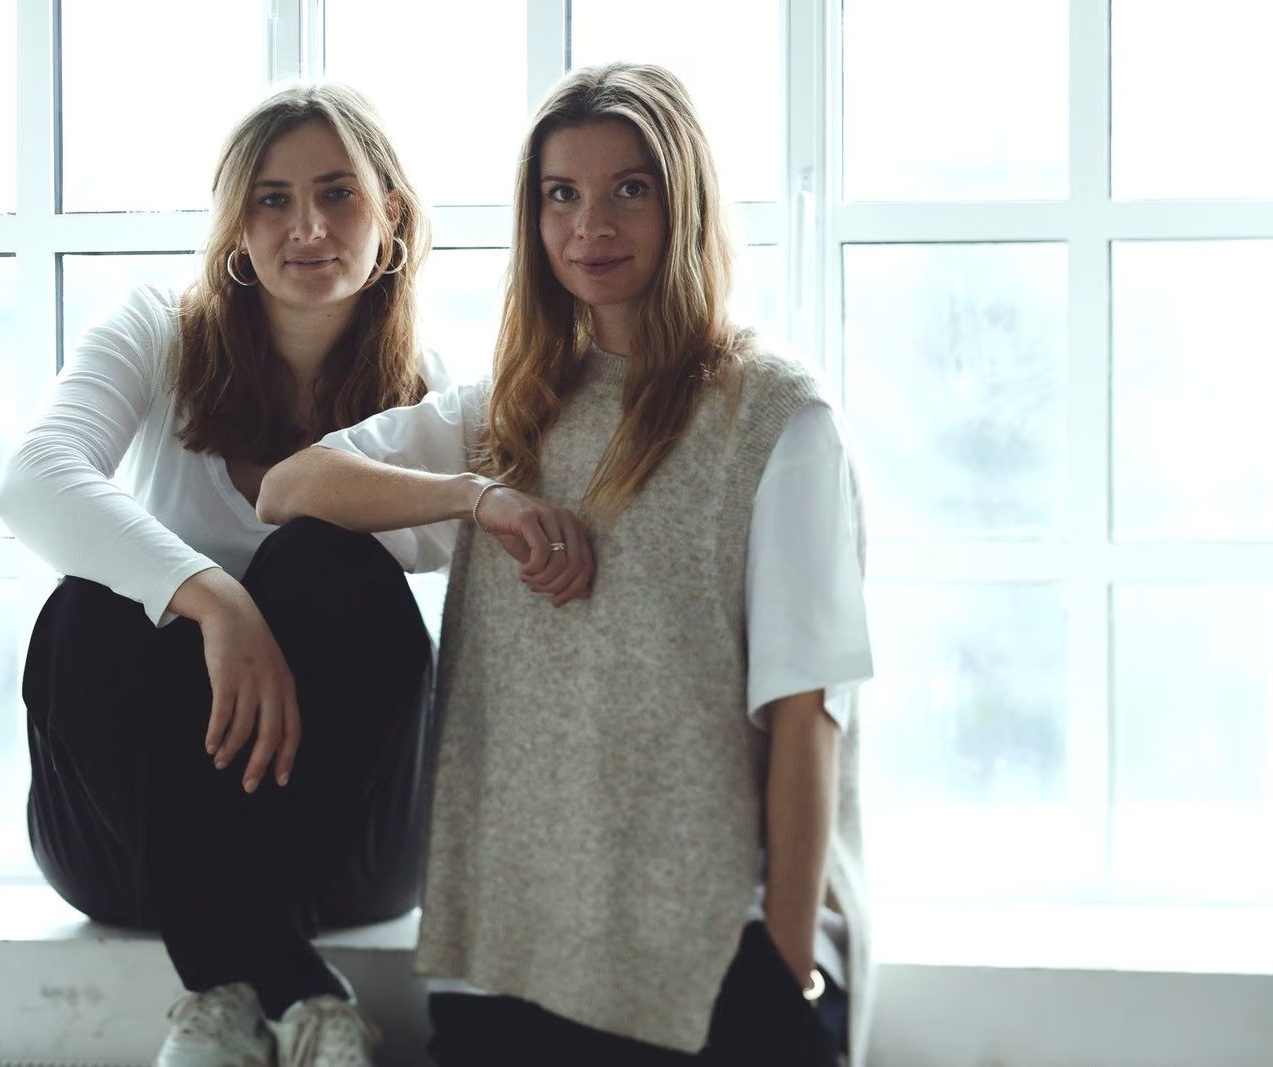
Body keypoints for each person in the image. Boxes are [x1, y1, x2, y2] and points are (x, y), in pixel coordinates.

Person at [258, 63, 875, 1066]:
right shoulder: (503, 412)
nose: (590, 225)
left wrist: (786, 971)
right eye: (561, 195)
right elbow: (291, 487)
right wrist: (478, 495)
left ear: (683, 203)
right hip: (508, 959)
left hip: (708, 961)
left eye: (629, 188)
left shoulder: (776, 420)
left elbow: (808, 715)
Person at [0, 83, 446, 1067]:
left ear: (393, 214)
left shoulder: (431, 394)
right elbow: (31, 480)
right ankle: (296, 994)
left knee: (326, 559)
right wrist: (214, 599)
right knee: (89, 603)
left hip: (341, 850)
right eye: (272, 199)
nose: (308, 226)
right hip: (131, 841)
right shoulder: (161, 330)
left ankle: (228, 989)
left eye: (338, 193)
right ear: (235, 226)